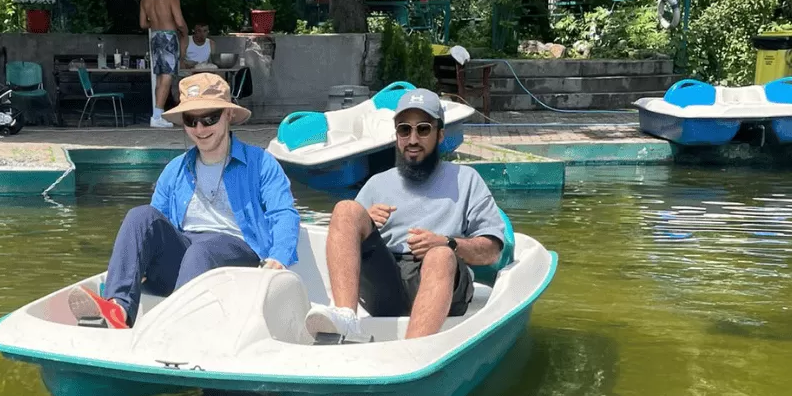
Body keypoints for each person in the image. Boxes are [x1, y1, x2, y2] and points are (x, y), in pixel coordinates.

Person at [69, 72, 300, 329]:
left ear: (228, 116)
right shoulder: (175, 169)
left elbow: (283, 213)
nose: (200, 129)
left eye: (209, 118)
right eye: (191, 120)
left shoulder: (261, 163)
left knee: (202, 249)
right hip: (186, 258)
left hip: (237, 262)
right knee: (140, 216)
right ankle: (118, 310)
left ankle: (172, 327)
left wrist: (279, 257)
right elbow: (153, 227)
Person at [306, 88, 505, 341]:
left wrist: (448, 242)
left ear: (440, 134)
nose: (413, 139)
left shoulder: (467, 180)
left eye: (423, 129)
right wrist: (366, 220)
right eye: (404, 130)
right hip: (387, 283)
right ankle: (346, 319)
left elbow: (492, 250)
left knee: (440, 255)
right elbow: (344, 240)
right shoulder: (377, 184)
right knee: (346, 210)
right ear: (396, 135)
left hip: (443, 279)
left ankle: (414, 349)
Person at [140, 0, 188, 128]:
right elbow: (180, 21)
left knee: (160, 76)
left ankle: (157, 113)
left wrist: (155, 22)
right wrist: (183, 31)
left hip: (155, 36)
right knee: (167, 76)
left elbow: (142, 23)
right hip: (168, 36)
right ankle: (157, 116)